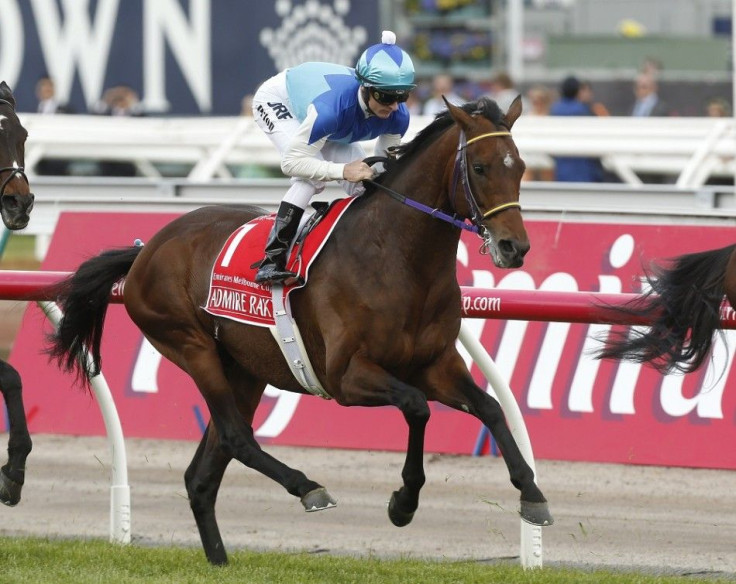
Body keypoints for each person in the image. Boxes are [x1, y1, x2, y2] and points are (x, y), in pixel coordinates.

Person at [251, 30, 416, 284]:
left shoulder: (398, 116)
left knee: (369, 184)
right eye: (386, 96)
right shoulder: (330, 111)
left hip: (335, 121)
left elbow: (384, 174)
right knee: (311, 178)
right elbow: (292, 163)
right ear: (366, 88)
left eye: (402, 96)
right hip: (281, 101)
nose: (394, 106)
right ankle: (272, 259)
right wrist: (341, 171)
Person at [549, 75, 604, 183]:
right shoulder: (583, 110)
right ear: (577, 91)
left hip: (562, 169)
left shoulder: (555, 110)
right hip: (584, 169)